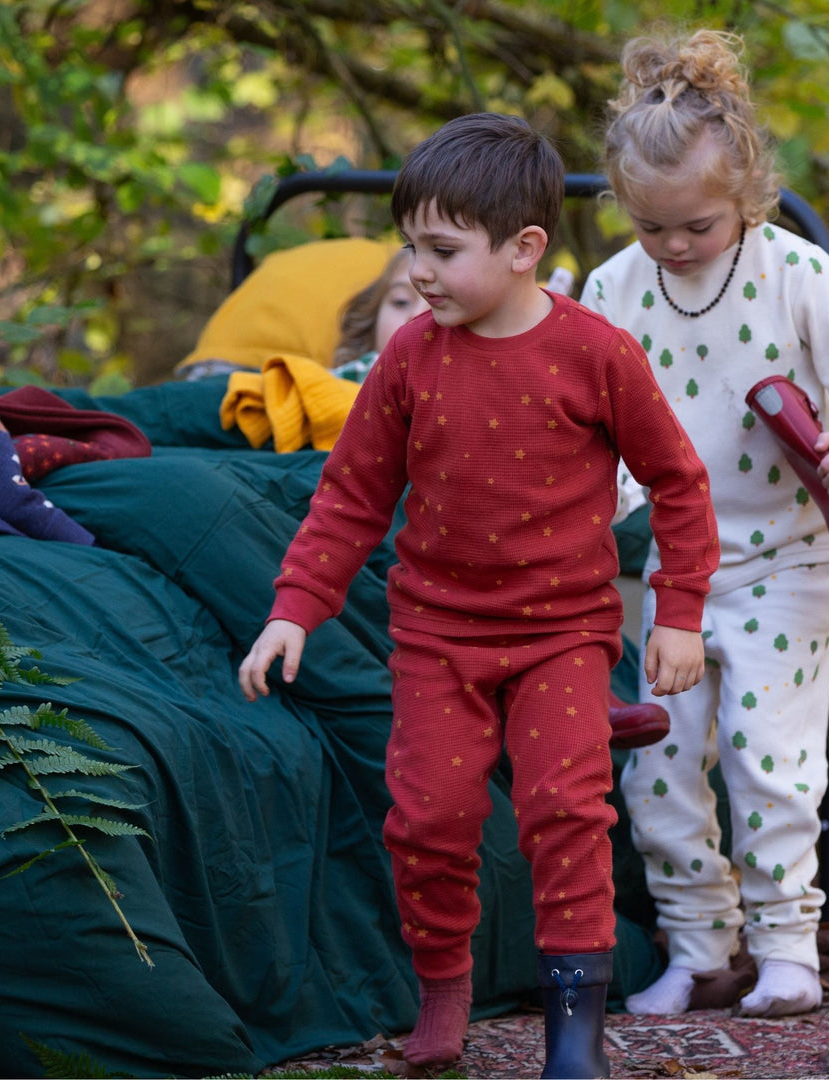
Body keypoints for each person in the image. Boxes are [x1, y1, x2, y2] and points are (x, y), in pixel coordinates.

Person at [237, 112, 719, 1078]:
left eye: (442, 250)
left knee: (563, 810)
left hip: (563, 637)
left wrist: (676, 613)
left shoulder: (596, 354)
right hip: (438, 639)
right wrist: (294, 608)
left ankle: (574, 1036)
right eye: (412, 245)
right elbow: (351, 497)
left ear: (523, 250)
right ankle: (444, 989)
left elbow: (678, 480)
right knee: (430, 817)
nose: (417, 270)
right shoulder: (409, 359)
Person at [579, 28, 829, 1019]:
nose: (677, 247)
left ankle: (787, 949)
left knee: (768, 758)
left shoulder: (794, 273)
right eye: (654, 228)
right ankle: (697, 949)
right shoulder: (611, 290)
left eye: (700, 225)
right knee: (660, 767)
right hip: (670, 572)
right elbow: (593, 424)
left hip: (786, 558)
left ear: (749, 197)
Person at [331, 246, 430, 380]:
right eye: (401, 302)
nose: (417, 315)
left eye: (438, 308)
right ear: (372, 321)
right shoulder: (333, 382)